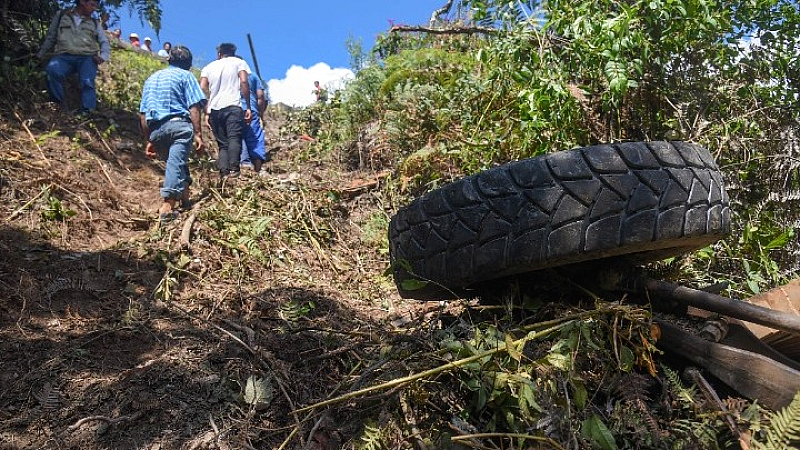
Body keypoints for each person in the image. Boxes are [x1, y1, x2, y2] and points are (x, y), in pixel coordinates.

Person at [139, 45, 207, 222]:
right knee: (176, 163)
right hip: (178, 126)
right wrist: (198, 134)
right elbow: (194, 106)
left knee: (176, 162)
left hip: (156, 131)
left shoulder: (151, 79)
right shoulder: (186, 76)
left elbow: (143, 113)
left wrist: (149, 140)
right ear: (188, 64)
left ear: (169, 60)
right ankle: (167, 207)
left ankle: (185, 199)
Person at [37, 0, 110, 115]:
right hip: (64, 56)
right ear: (82, 2)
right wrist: (41, 54)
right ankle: (57, 105)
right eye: (92, 4)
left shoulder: (94, 23)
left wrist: (103, 56)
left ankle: (88, 112)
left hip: (87, 57)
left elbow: (104, 42)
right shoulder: (62, 15)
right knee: (52, 70)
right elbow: (51, 37)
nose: (94, 8)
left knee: (87, 82)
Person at [200, 42, 251, 180]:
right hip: (233, 106)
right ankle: (234, 170)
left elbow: (202, 89)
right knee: (234, 137)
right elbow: (244, 82)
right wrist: (248, 106)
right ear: (233, 52)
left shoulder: (208, 67)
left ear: (219, 54)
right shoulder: (239, 62)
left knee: (222, 144)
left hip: (214, 109)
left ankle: (223, 173)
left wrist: (206, 111)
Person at [235, 56, 268, 174]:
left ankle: (244, 162)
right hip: (251, 109)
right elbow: (261, 96)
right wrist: (260, 112)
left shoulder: (230, 76)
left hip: (233, 109)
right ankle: (257, 165)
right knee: (255, 136)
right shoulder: (253, 76)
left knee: (239, 135)